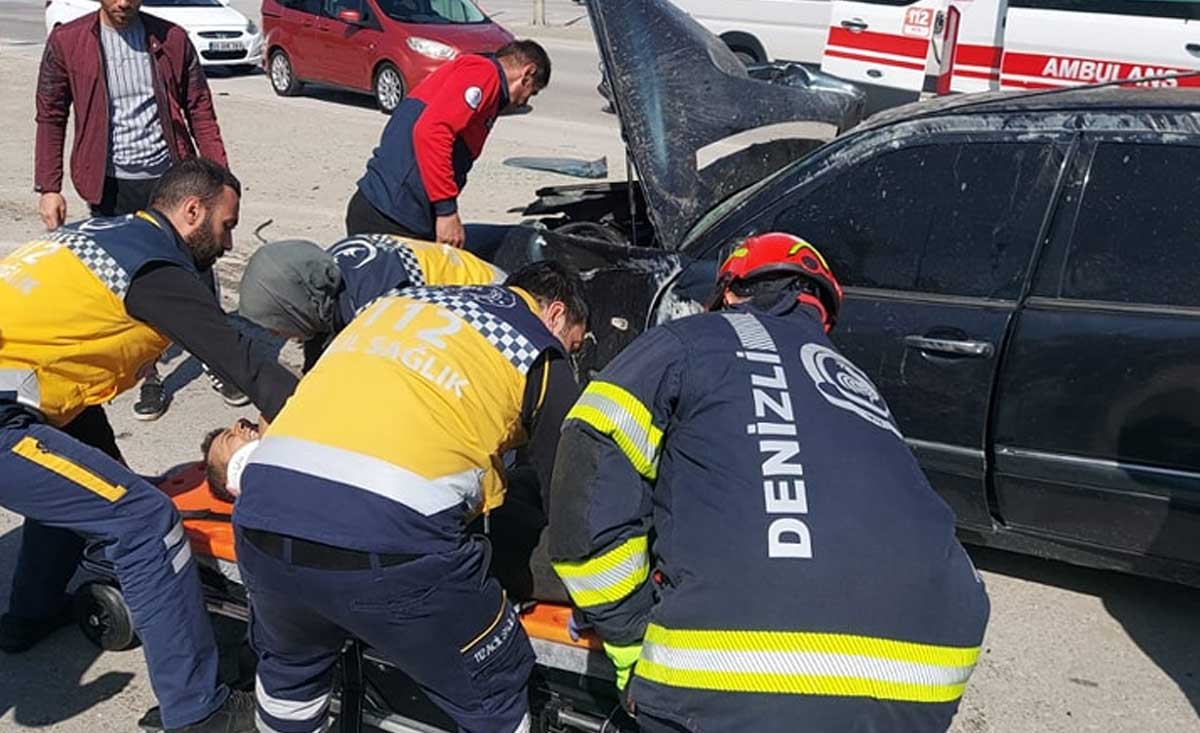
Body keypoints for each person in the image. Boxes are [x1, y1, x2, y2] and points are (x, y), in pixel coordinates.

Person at [549, 233, 991, 732]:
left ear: (731, 294)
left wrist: (628, 640)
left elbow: (591, 452)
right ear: (822, 314)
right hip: (926, 682)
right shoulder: (859, 386)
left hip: (732, 685)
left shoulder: (693, 339)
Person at [0, 159, 298, 733]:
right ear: (192, 212)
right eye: (227, 224)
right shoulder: (155, 268)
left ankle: (28, 617)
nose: (229, 240)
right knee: (141, 517)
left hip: (36, 396)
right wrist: (325, 425)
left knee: (93, 478)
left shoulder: (108, 234)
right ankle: (199, 712)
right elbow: (241, 361)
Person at [230, 262, 588, 733]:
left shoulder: (395, 305)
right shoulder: (538, 350)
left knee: (291, 677)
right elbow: (567, 492)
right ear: (557, 316)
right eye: (575, 343)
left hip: (262, 515)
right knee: (494, 689)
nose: (572, 355)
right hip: (394, 545)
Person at [34, 0, 243, 420]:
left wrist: (218, 176)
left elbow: (200, 107)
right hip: (109, 184)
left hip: (172, 179)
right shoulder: (68, 41)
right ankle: (147, 375)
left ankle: (219, 360)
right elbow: (51, 114)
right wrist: (49, 186)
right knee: (130, 286)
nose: (124, 3)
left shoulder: (171, 39)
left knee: (198, 271)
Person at [347, 40, 551, 248]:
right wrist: (446, 212)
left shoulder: (479, 85)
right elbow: (432, 132)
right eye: (532, 92)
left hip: (398, 214)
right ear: (528, 73)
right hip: (390, 217)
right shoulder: (484, 73)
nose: (525, 102)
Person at [237, 234, 504, 371]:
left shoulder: (375, 310)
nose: (274, 334)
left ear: (294, 308)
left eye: (276, 324)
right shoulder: (321, 275)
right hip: (466, 288)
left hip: (491, 311)